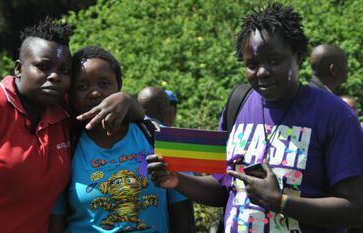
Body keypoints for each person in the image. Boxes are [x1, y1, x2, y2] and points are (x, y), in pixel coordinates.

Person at [147, 3, 363, 233]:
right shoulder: (238, 103)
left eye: (274, 61)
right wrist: (178, 180)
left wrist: (281, 202)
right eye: (252, 64)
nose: (262, 72)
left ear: (298, 58)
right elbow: (223, 188)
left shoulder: (334, 115)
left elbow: (355, 208)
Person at [0, 17, 142, 233]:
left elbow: (130, 110)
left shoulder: (66, 115)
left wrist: (125, 99)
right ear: (19, 69)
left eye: (64, 70)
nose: (55, 76)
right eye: (43, 66)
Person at [50, 46, 194, 233]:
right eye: (83, 86)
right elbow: (56, 220)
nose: (94, 93)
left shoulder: (157, 136)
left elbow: (183, 217)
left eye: (104, 84)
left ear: (119, 85)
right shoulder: (65, 146)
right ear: (71, 94)